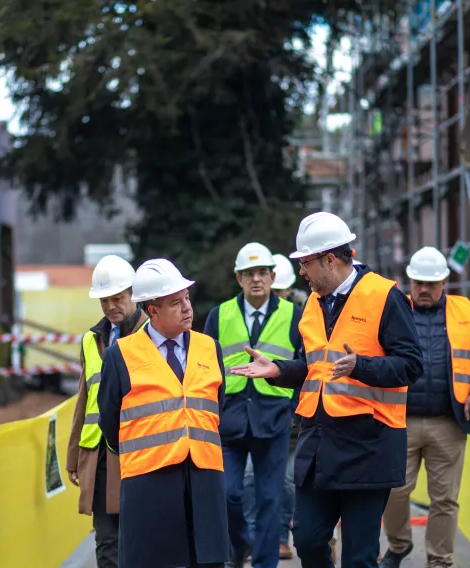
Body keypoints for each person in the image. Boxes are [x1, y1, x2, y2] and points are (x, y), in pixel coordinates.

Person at [230, 211, 424, 568]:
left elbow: (411, 365)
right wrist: (279, 370)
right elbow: (314, 367)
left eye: (306, 263)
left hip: (369, 445)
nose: (301, 272)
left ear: (330, 259)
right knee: (307, 539)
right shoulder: (313, 303)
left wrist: (361, 366)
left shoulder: (384, 296)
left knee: (359, 556)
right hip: (320, 444)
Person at [98, 259, 230, 568]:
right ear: (153, 311)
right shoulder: (120, 355)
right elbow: (110, 421)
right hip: (149, 482)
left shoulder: (210, 348)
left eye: (187, 298)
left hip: (204, 477)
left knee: (207, 561)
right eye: (175, 302)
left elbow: (216, 407)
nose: (187, 308)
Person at [379, 246, 470, 568]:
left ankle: (439, 561)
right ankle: (399, 544)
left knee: (444, 499)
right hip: (399, 421)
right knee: (393, 490)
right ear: (410, 281)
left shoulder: (466, 311)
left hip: (448, 421)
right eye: (418, 282)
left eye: (430, 283)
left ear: (444, 282)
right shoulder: (395, 310)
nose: (423, 289)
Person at [204, 243, 303, 567]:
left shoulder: (294, 315)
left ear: (273, 276)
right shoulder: (220, 315)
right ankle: (240, 543)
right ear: (239, 278)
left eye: (262, 272)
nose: (256, 279)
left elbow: (306, 366)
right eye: (249, 273)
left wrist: (293, 410)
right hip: (230, 418)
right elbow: (204, 368)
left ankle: (263, 563)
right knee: (228, 493)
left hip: (274, 419)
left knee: (270, 499)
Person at [66, 255, 147, 568]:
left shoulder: (152, 334)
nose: (111, 306)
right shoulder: (91, 340)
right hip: (100, 452)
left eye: (118, 298)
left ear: (132, 294)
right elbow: (84, 399)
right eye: (104, 300)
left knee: (140, 535)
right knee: (106, 538)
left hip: (141, 449)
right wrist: (74, 455)